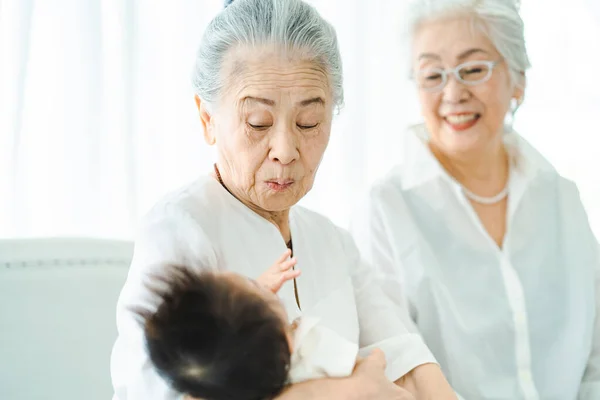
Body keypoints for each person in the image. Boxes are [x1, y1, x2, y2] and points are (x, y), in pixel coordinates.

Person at [109, 0, 458, 399]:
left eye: (308, 122)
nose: (285, 150)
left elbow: (404, 354)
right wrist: (342, 392)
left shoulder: (332, 242)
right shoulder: (181, 227)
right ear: (208, 120)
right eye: (257, 122)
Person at [350, 0, 600, 399]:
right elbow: (396, 373)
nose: (453, 92)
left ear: (518, 79)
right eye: (432, 74)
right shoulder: (385, 209)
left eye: (473, 69)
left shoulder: (561, 197)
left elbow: (595, 360)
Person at [133, 257, 361, 400]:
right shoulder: (315, 349)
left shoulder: (220, 383)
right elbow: (371, 368)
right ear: (289, 340)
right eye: (254, 284)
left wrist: (254, 302)